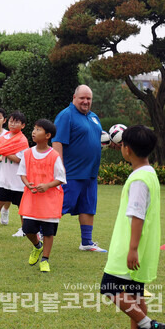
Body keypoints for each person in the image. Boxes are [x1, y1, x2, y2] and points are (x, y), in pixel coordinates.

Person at [100, 125, 165, 329]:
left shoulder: (138, 179)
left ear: (126, 149)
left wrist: (132, 248)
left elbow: (137, 215)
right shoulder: (149, 173)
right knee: (135, 293)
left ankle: (149, 326)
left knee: (109, 287)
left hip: (131, 245)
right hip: (145, 245)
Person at [53, 85, 107, 252]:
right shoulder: (66, 115)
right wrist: (59, 168)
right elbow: (57, 142)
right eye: (82, 98)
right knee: (60, 205)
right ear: (74, 97)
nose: (85, 101)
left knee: (88, 206)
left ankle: (87, 242)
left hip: (90, 173)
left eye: (88, 99)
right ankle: (40, 232)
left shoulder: (93, 117)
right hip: (72, 172)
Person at [17, 119, 66, 273]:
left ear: (48, 135)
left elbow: (61, 178)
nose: (34, 132)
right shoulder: (27, 153)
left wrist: (47, 186)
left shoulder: (54, 155)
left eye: (38, 129)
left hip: (50, 202)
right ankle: (37, 247)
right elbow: (22, 173)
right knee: (27, 228)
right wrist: (27, 183)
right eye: (34, 128)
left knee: (49, 232)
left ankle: (45, 259)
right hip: (32, 200)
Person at [0, 111, 29, 238]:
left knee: (21, 205)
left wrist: (4, 151)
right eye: (11, 121)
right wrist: (0, 154)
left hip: (18, 179)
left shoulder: (22, 140)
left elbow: (19, 159)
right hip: (4, 178)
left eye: (16, 122)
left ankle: (24, 229)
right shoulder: (4, 138)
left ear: (23, 125)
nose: (13, 124)